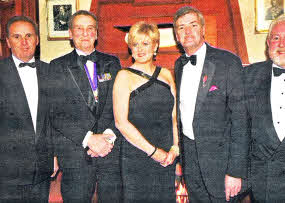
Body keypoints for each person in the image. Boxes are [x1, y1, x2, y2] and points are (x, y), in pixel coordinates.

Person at [173, 6, 249, 202]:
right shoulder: (179, 65)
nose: (187, 32)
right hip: (191, 164)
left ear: (203, 29)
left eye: (193, 25)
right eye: (181, 28)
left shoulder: (228, 62)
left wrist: (235, 171)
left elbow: (241, 120)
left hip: (222, 167)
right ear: (176, 35)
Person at [49, 10, 122, 202]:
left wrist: (108, 138)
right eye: (79, 29)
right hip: (75, 155)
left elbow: (120, 105)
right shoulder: (56, 67)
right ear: (70, 34)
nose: (85, 33)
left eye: (90, 29)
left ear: (96, 34)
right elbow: (55, 113)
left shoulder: (112, 63)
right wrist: (89, 138)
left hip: (110, 152)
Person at [245, 15, 285, 202]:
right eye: (275, 38)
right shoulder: (249, 76)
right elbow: (237, 125)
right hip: (263, 179)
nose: (282, 43)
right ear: (268, 43)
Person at [113, 21, 179, 202]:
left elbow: (174, 115)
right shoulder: (123, 76)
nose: (140, 49)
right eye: (135, 44)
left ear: (155, 46)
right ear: (130, 48)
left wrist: (175, 148)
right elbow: (121, 123)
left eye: (145, 43)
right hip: (137, 156)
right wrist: (153, 152)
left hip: (167, 156)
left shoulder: (166, 74)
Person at [0, 16, 54, 202]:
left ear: (37, 40)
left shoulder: (51, 72)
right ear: (8, 41)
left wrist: (54, 155)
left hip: (42, 169)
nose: (24, 42)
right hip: (7, 171)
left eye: (29, 35)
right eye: (17, 37)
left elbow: (54, 120)